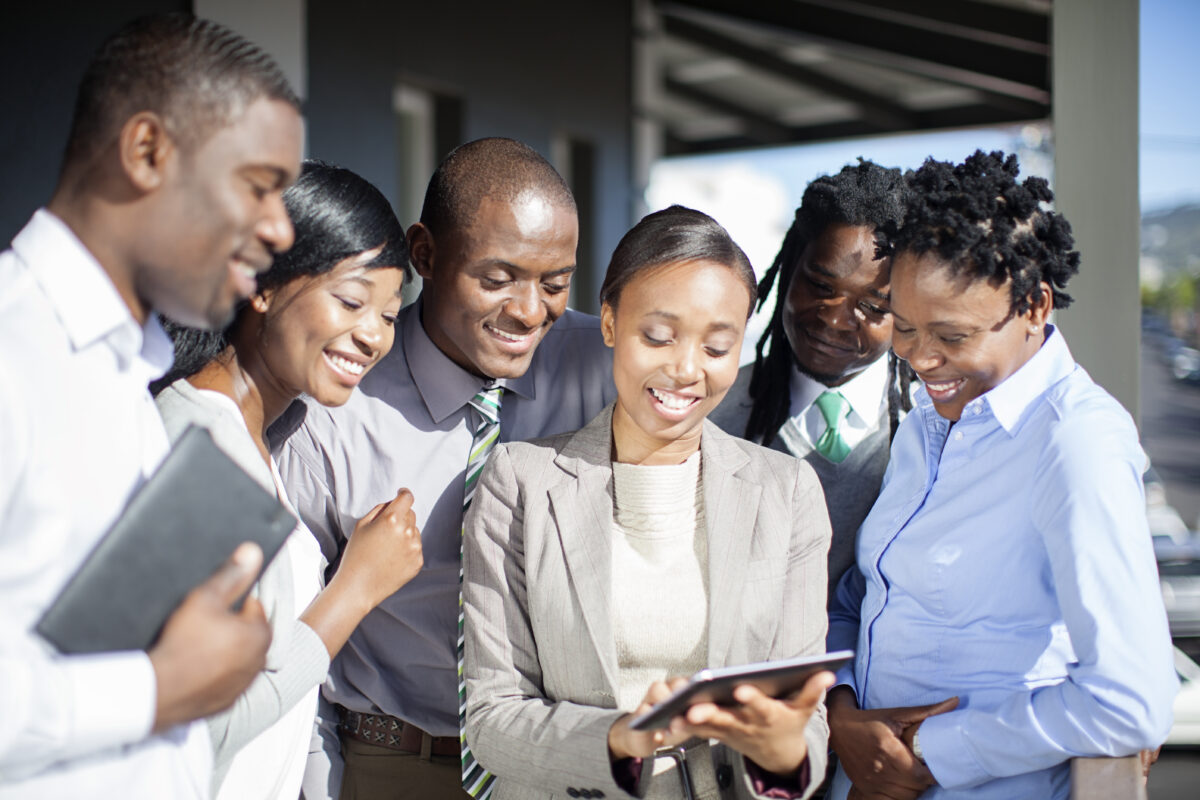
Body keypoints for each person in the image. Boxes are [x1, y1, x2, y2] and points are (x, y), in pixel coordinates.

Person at [0, 13, 303, 799]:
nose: (279, 227)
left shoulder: (126, 376)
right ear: (147, 152)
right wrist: (159, 688)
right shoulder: (13, 351)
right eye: (260, 186)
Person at [825, 151, 1177, 800]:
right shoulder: (931, 423)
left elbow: (1130, 699)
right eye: (903, 328)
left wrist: (928, 753)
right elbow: (866, 594)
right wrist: (843, 712)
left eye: (951, 336)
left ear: (1036, 306)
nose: (922, 359)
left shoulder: (1075, 445)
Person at [276, 137, 615, 800]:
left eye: (553, 283)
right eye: (497, 279)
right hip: (394, 765)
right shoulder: (334, 404)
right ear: (425, 254)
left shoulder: (604, 368)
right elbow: (296, 632)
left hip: (562, 767)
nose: (528, 311)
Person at [463, 205, 834, 800]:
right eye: (657, 336)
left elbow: (804, 728)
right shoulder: (520, 482)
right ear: (609, 322)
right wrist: (623, 739)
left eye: (718, 348)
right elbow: (491, 721)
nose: (686, 370)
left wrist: (785, 750)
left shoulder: (785, 492)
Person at [154, 160, 425, 800]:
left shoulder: (262, 439)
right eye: (351, 301)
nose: (372, 336)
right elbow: (196, 724)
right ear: (263, 286)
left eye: (389, 315)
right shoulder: (201, 446)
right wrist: (355, 589)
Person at [710, 160, 910, 596]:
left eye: (874, 307)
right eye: (820, 286)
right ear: (789, 270)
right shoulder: (711, 414)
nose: (836, 319)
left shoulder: (933, 430)